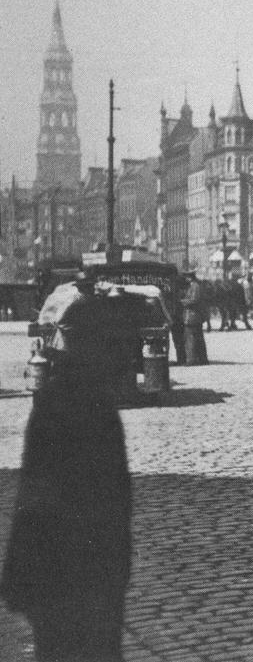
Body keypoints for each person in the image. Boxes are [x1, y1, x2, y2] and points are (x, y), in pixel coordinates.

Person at [1, 276, 133, 662]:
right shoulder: (96, 407)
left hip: (62, 574)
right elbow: (116, 499)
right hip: (90, 574)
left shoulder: (56, 401)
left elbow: (34, 495)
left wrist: (19, 573)